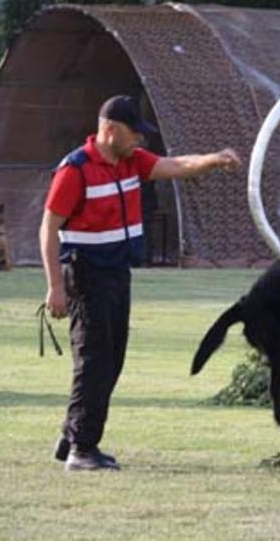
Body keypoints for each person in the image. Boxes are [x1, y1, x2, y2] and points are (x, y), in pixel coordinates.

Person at [40, 95, 241, 472]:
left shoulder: (132, 161)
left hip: (117, 272)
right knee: (94, 361)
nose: (139, 140)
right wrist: (55, 287)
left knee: (112, 360)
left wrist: (213, 159)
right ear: (110, 130)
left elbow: (177, 165)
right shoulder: (76, 169)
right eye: (134, 132)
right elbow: (48, 228)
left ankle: (73, 435)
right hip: (86, 275)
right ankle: (82, 449)